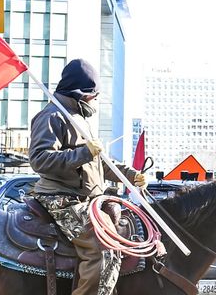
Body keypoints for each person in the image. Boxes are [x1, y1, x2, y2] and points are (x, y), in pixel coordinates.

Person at [29, 59, 147, 295]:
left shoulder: (78, 117)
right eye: (94, 93)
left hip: (87, 199)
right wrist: (84, 152)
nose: (96, 98)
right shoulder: (52, 115)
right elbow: (39, 159)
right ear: (81, 93)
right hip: (61, 199)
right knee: (103, 251)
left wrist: (130, 175)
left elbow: (98, 162)